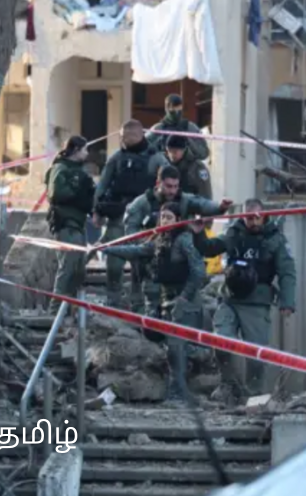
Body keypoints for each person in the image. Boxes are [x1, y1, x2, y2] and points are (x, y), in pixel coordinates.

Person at [97, 203, 207, 402]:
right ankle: (177, 387)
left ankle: (180, 390)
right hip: (166, 300)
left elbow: (199, 271)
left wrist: (184, 298)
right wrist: (109, 249)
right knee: (170, 346)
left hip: (185, 301)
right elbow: (137, 250)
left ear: (178, 220)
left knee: (177, 346)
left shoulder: (184, 240)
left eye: (169, 217)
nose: (165, 221)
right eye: (163, 216)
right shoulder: (158, 240)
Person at [193, 198, 297, 403]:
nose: (254, 222)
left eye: (257, 218)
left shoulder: (275, 239)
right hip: (230, 299)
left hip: (257, 302)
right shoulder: (235, 233)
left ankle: (253, 395)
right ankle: (228, 384)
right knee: (221, 341)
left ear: (264, 216)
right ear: (243, 217)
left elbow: (287, 272)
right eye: (249, 218)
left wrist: (288, 301)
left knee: (256, 354)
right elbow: (210, 248)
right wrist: (198, 233)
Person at [124, 165, 233, 314]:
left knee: (179, 310)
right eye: (168, 186)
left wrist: (220, 207)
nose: (172, 191)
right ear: (158, 183)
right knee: (147, 308)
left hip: (177, 265)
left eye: (176, 186)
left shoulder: (185, 200)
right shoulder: (141, 203)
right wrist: (148, 243)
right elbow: (130, 233)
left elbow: (203, 204)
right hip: (150, 263)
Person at [92, 119, 165, 308]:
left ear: (138, 135)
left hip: (144, 219)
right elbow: (102, 186)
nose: (123, 139)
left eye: (127, 136)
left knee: (140, 264)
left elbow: (168, 182)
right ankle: (113, 300)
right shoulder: (117, 158)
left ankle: (138, 303)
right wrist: (97, 211)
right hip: (118, 216)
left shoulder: (156, 158)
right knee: (114, 262)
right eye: (122, 136)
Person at [45, 135, 96, 314]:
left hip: (78, 224)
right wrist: (77, 191)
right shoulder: (60, 168)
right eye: (84, 149)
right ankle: (54, 311)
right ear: (75, 150)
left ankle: (70, 309)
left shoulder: (78, 171)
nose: (87, 153)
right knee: (68, 266)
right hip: (65, 224)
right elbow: (56, 193)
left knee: (78, 269)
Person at [145, 94, 210, 162]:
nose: (176, 111)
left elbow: (204, 154)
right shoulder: (158, 129)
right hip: (164, 166)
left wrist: (188, 140)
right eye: (173, 108)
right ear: (166, 108)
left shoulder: (190, 127)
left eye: (179, 108)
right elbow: (142, 151)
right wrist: (159, 145)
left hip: (187, 166)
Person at [162, 135, 212, 199]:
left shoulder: (197, 168)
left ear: (183, 150)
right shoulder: (164, 163)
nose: (171, 155)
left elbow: (206, 195)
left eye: (175, 151)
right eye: (169, 151)